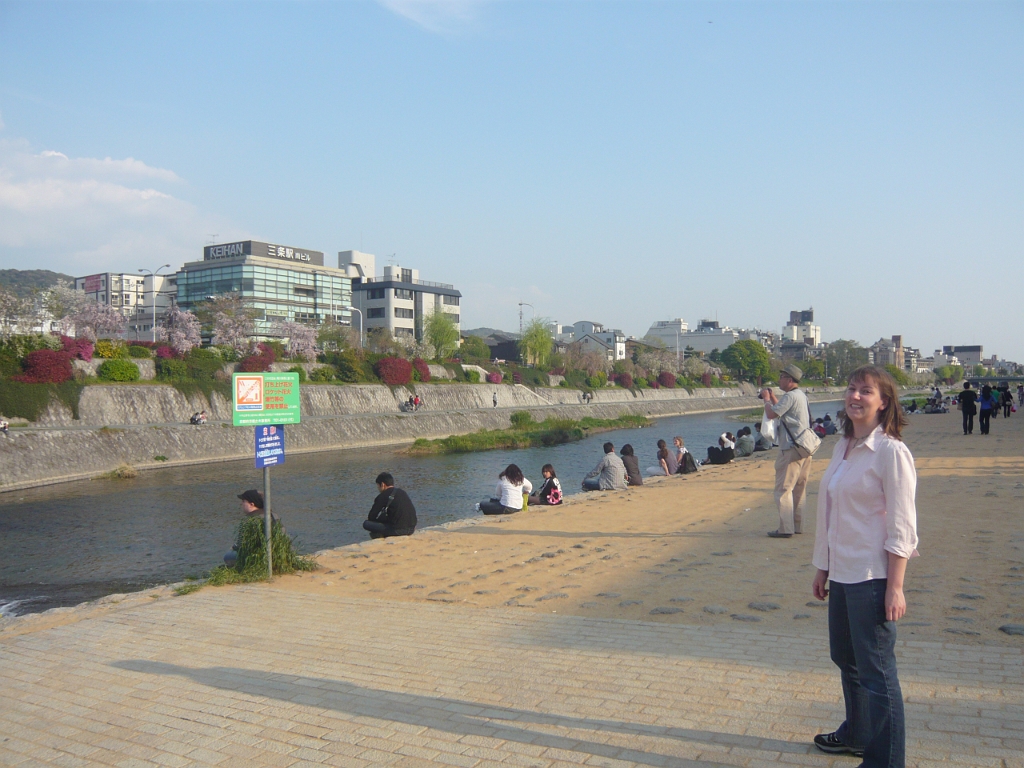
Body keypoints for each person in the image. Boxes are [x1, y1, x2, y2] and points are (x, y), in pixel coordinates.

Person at [811, 365, 918, 767]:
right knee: (846, 658)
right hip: (841, 571)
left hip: (872, 576)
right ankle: (856, 733)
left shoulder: (891, 452)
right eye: (852, 389)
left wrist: (896, 585)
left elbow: (903, 525)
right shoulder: (843, 446)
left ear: (883, 401)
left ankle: (885, 760)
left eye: (866, 391)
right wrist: (823, 566)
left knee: (877, 673)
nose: (855, 396)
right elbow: (831, 511)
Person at [762, 364, 814, 538]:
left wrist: (766, 400)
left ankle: (785, 528)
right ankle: (797, 525)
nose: (779, 380)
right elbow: (784, 413)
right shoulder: (800, 396)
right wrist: (774, 398)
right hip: (805, 447)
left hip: (790, 448)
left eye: (782, 377)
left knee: (783, 489)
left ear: (789, 380)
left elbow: (771, 414)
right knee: (799, 488)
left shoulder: (790, 396)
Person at [224, 489, 278, 567]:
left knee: (228, 556)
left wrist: (233, 547)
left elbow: (241, 544)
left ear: (252, 504)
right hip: (276, 552)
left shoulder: (249, 520)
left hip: (260, 556)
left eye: (243, 501)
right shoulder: (273, 514)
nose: (241, 504)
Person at [363, 472, 417, 538]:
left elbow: (371, 517)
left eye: (378, 486)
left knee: (366, 524)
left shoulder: (382, 496)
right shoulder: (402, 492)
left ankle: (380, 536)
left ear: (382, 485)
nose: (378, 489)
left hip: (398, 530)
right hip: (411, 529)